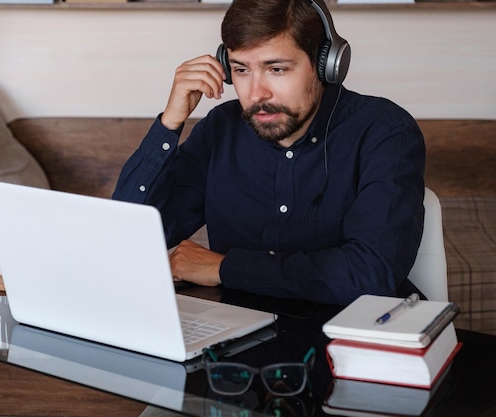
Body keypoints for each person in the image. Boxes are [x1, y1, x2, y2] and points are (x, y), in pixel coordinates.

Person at [113, 0, 425, 306]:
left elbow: (370, 274)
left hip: (352, 340)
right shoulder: (219, 128)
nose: (256, 93)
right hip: (234, 340)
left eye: (276, 69)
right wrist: (170, 122)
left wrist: (222, 268)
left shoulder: (385, 131)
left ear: (325, 63)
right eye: (241, 69)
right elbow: (129, 240)